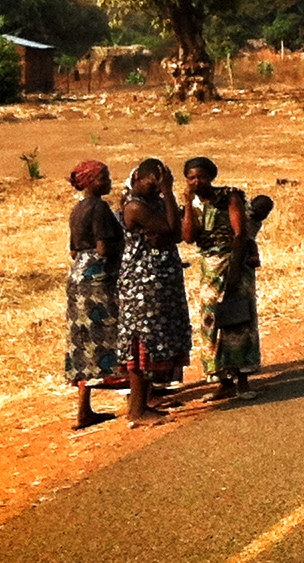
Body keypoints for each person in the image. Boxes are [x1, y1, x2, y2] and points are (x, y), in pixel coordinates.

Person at [117, 157, 191, 426]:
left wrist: (166, 205)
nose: (155, 190)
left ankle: (146, 401)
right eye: (152, 185)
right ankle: (136, 411)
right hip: (143, 283)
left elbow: (174, 233)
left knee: (157, 338)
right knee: (142, 342)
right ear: (136, 178)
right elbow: (172, 230)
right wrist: (169, 193)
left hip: (161, 279)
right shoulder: (135, 206)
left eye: (158, 186)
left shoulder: (153, 202)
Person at [182, 156, 261, 398]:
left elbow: (239, 234)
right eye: (192, 177)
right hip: (209, 267)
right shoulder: (193, 204)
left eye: (201, 176)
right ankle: (223, 381)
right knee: (211, 322)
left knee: (239, 319)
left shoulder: (229, 196)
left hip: (233, 261)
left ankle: (243, 380)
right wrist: (186, 204)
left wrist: (236, 268)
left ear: (211, 176)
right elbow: (188, 237)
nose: (197, 181)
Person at [64, 159, 123, 430]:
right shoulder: (99, 208)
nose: (109, 182)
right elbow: (103, 248)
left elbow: (75, 251)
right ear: (90, 182)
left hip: (77, 278)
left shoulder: (77, 209)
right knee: (112, 335)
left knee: (83, 342)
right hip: (98, 278)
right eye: (104, 178)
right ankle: (141, 398)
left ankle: (83, 409)